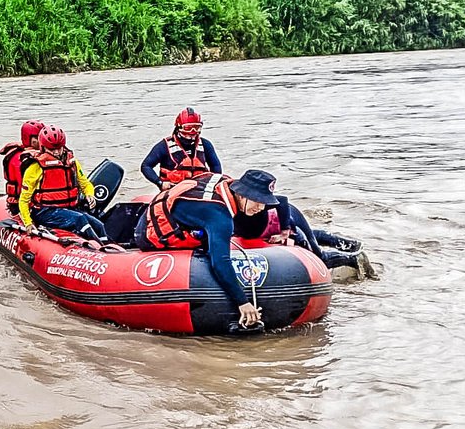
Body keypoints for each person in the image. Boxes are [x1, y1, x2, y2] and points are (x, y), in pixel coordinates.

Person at [136, 169, 279, 328]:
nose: (261, 207)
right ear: (241, 194)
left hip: (164, 212)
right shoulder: (219, 216)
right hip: (149, 234)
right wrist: (242, 302)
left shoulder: (225, 183)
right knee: (214, 246)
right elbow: (220, 262)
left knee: (210, 233)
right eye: (257, 201)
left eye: (264, 202)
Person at [232, 190, 368, 272]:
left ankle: (354, 258)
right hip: (264, 229)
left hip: (288, 219)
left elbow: (282, 201)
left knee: (318, 256)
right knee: (310, 236)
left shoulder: (253, 202)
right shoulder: (228, 206)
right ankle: (349, 244)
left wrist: (285, 231)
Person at [17, 125, 108, 242]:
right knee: (80, 219)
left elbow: (85, 184)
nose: (56, 152)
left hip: (68, 209)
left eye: (59, 148)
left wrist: (89, 194)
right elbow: (24, 200)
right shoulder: (35, 167)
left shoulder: (72, 162)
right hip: (45, 212)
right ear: (43, 147)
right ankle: (98, 248)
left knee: (99, 225)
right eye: (52, 149)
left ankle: (109, 247)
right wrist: (28, 223)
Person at [140, 107, 222, 188]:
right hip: (173, 188)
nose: (192, 131)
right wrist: (160, 183)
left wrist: (214, 184)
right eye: (188, 128)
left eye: (196, 127)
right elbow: (146, 166)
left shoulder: (205, 145)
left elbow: (215, 166)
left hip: (200, 188)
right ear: (179, 128)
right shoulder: (164, 146)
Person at [0, 119, 44, 216]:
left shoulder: (39, 156)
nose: (41, 141)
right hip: (20, 204)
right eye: (37, 138)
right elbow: (25, 189)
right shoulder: (21, 160)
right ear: (28, 138)